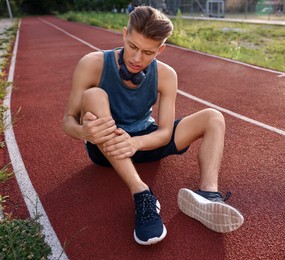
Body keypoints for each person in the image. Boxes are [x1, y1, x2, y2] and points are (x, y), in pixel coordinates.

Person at [62, 6, 244, 245]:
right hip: (106, 148)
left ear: (161, 49)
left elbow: (165, 132)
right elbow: (68, 120)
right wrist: (84, 132)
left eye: (148, 52)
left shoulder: (167, 75)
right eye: (133, 47)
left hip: (144, 143)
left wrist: (135, 142)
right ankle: (142, 194)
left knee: (213, 117)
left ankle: (208, 194)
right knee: (94, 96)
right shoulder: (92, 64)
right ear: (124, 34)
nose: (137, 59)